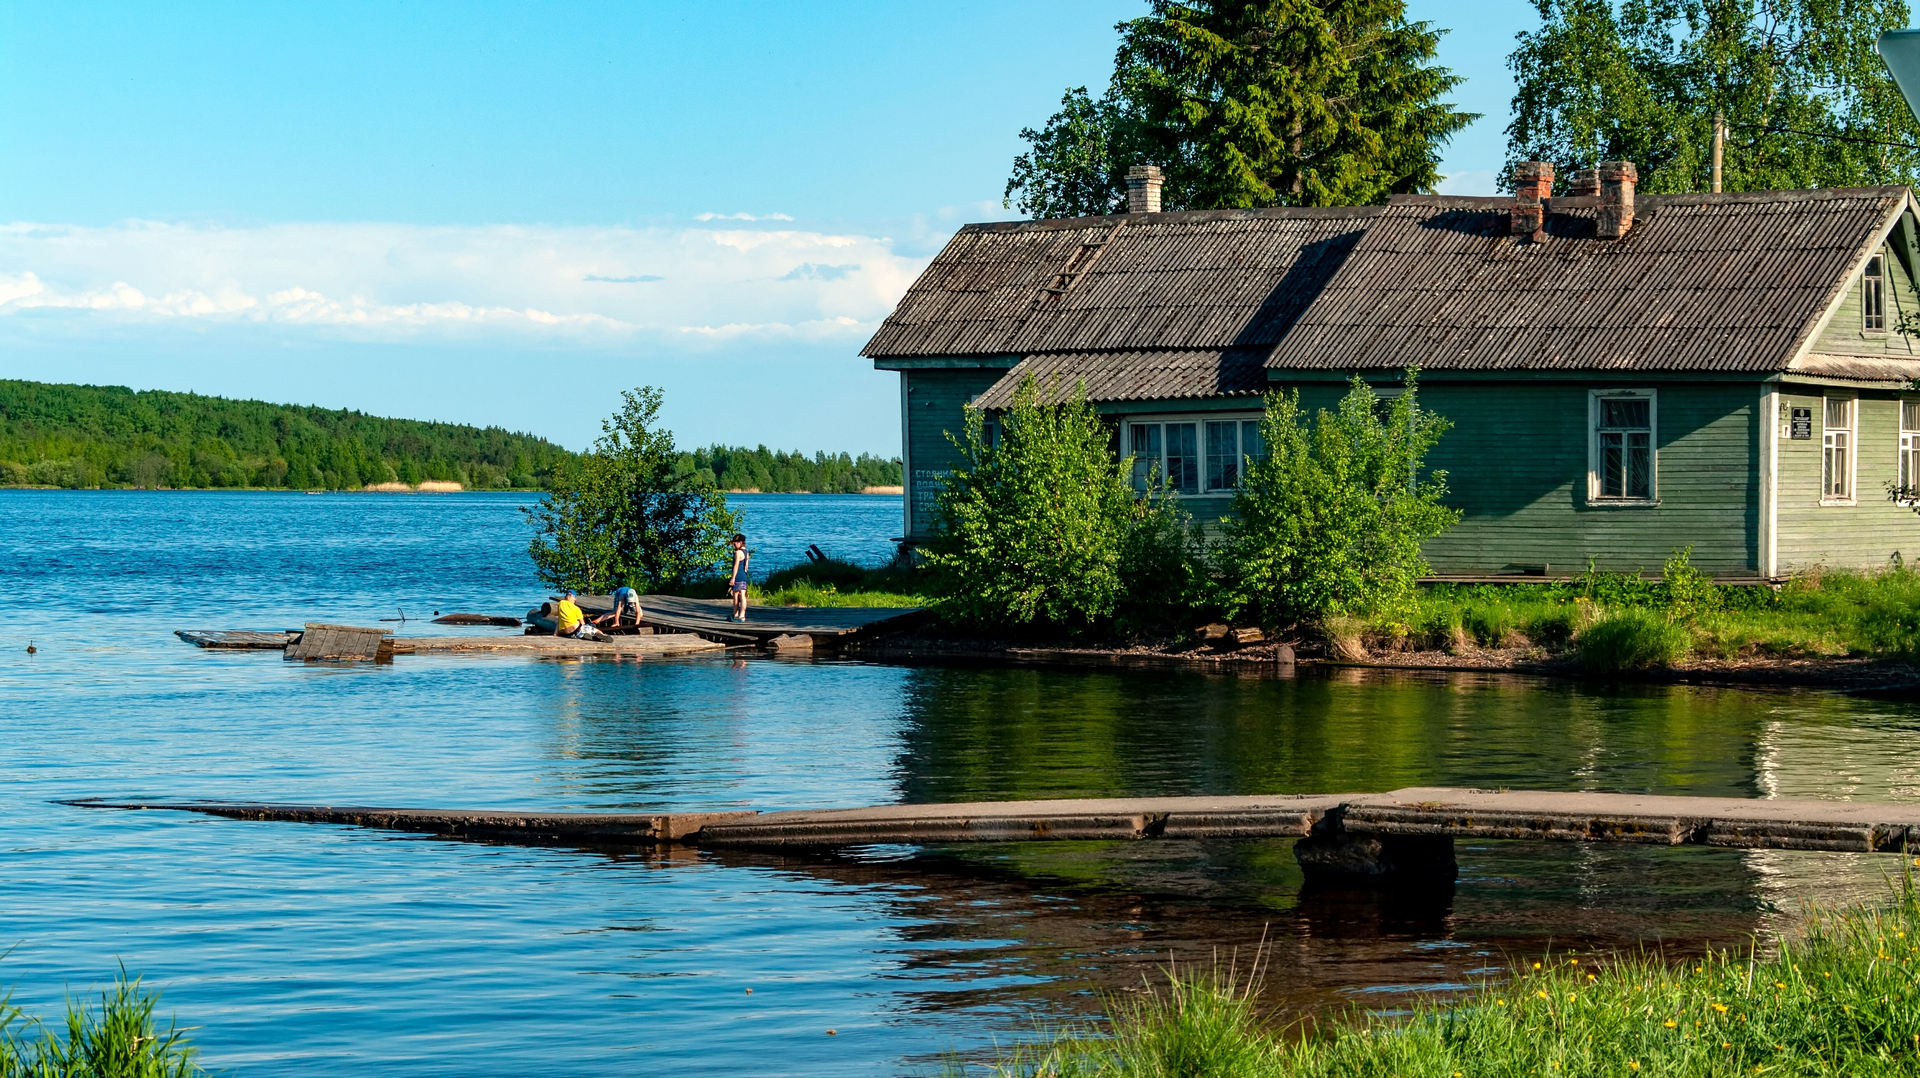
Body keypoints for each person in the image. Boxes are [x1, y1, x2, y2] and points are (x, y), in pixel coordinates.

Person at [727, 534, 750, 623]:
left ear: (740, 542)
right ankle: (742, 615)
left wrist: (733, 578)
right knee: (742, 596)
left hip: (738, 576)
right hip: (743, 575)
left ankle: (737, 615)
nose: (734, 545)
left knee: (736, 596)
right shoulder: (746, 552)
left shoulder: (738, 552)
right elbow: (746, 566)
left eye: (735, 543)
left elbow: (736, 566)